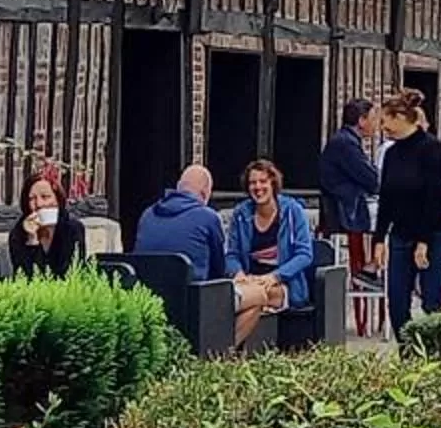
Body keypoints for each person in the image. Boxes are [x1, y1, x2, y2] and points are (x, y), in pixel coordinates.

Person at [374, 87, 441, 337]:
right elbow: (386, 197)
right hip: (400, 234)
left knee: (432, 301)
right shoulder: (392, 154)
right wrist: (379, 238)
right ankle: (407, 354)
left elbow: (433, 198)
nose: (382, 128)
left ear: (399, 117)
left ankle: (436, 354)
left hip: (434, 233)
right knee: (397, 303)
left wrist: (423, 241)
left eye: (385, 121)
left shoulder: (432, 150)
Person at [228, 157, 315, 348]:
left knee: (257, 294)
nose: (257, 187)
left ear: (273, 183)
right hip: (249, 281)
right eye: (252, 183)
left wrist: (274, 276)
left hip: (284, 284)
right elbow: (231, 254)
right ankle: (227, 354)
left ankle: (218, 353)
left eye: (262, 181)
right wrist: (239, 274)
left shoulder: (293, 211)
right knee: (256, 302)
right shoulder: (241, 214)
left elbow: (304, 254)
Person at [132, 164, 233, 280]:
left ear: (178, 186)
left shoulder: (148, 214)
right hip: (190, 295)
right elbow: (219, 271)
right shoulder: (208, 217)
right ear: (205, 194)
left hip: (147, 292)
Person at [318, 96, 380, 273]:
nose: (375, 124)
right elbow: (371, 179)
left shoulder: (346, 140)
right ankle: (374, 265)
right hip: (345, 209)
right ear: (361, 120)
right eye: (373, 119)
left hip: (348, 204)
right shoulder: (346, 143)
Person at [4, 173, 86, 279]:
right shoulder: (18, 233)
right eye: (32, 199)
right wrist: (32, 240)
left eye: (45, 197)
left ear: (57, 200)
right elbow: (24, 278)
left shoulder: (72, 229)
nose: (39, 204)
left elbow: (72, 274)